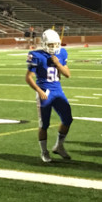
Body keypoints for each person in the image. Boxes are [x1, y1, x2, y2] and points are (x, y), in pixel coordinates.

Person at [26, 29, 73, 163]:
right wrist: (39, 91)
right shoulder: (36, 55)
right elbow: (28, 77)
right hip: (45, 92)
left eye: (55, 44)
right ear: (44, 44)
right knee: (44, 124)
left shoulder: (62, 53)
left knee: (68, 119)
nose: (54, 47)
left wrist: (58, 64)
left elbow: (67, 74)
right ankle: (44, 151)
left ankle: (59, 146)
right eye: (51, 45)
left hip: (58, 90)